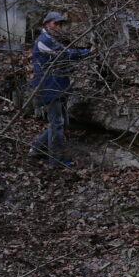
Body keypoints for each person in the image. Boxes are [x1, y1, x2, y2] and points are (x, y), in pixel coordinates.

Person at [29, 11, 95, 167]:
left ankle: (37, 149)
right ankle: (56, 159)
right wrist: (87, 52)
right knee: (57, 123)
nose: (58, 27)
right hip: (49, 87)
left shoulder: (51, 39)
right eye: (55, 23)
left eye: (60, 24)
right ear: (47, 24)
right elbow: (65, 55)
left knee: (60, 122)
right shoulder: (44, 40)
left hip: (58, 86)